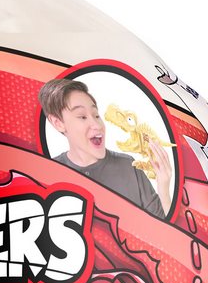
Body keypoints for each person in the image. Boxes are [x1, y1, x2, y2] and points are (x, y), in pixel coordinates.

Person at [40, 77, 173, 218]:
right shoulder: (48, 174)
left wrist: (164, 188)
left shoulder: (129, 166)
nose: (97, 125)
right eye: (82, 117)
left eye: (96, 115)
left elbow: (164, 226)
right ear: (58, 123)